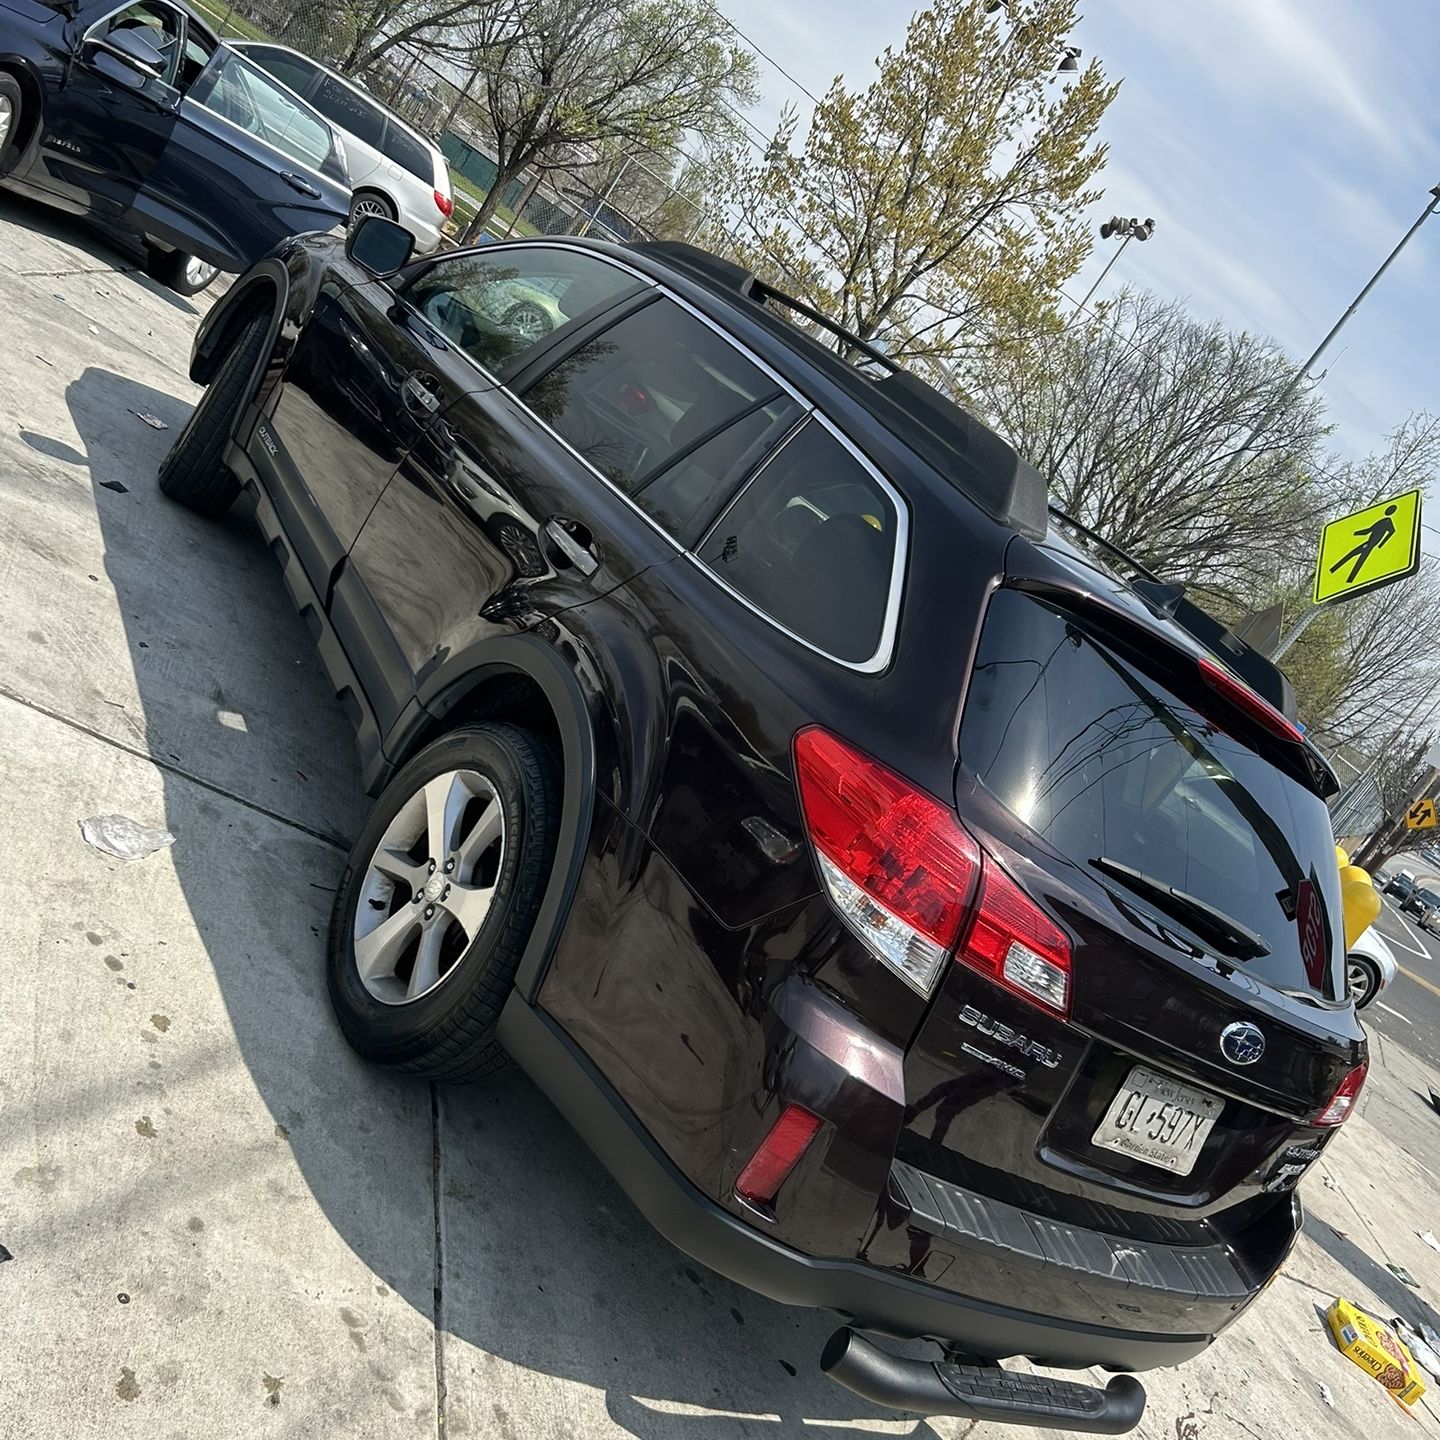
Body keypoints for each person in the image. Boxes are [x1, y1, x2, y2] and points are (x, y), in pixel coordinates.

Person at [1329, 504, 1397, 585]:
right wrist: (1354, 533)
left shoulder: (1388, 521)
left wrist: (1381, 544)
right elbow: (1368, 530)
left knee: (1357, 560)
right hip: (1368, 543)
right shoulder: (1382, 521)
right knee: (1354, 556)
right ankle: (1337, 573)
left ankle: (1348, 580)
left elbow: (1392, 532)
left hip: (1370, 544)